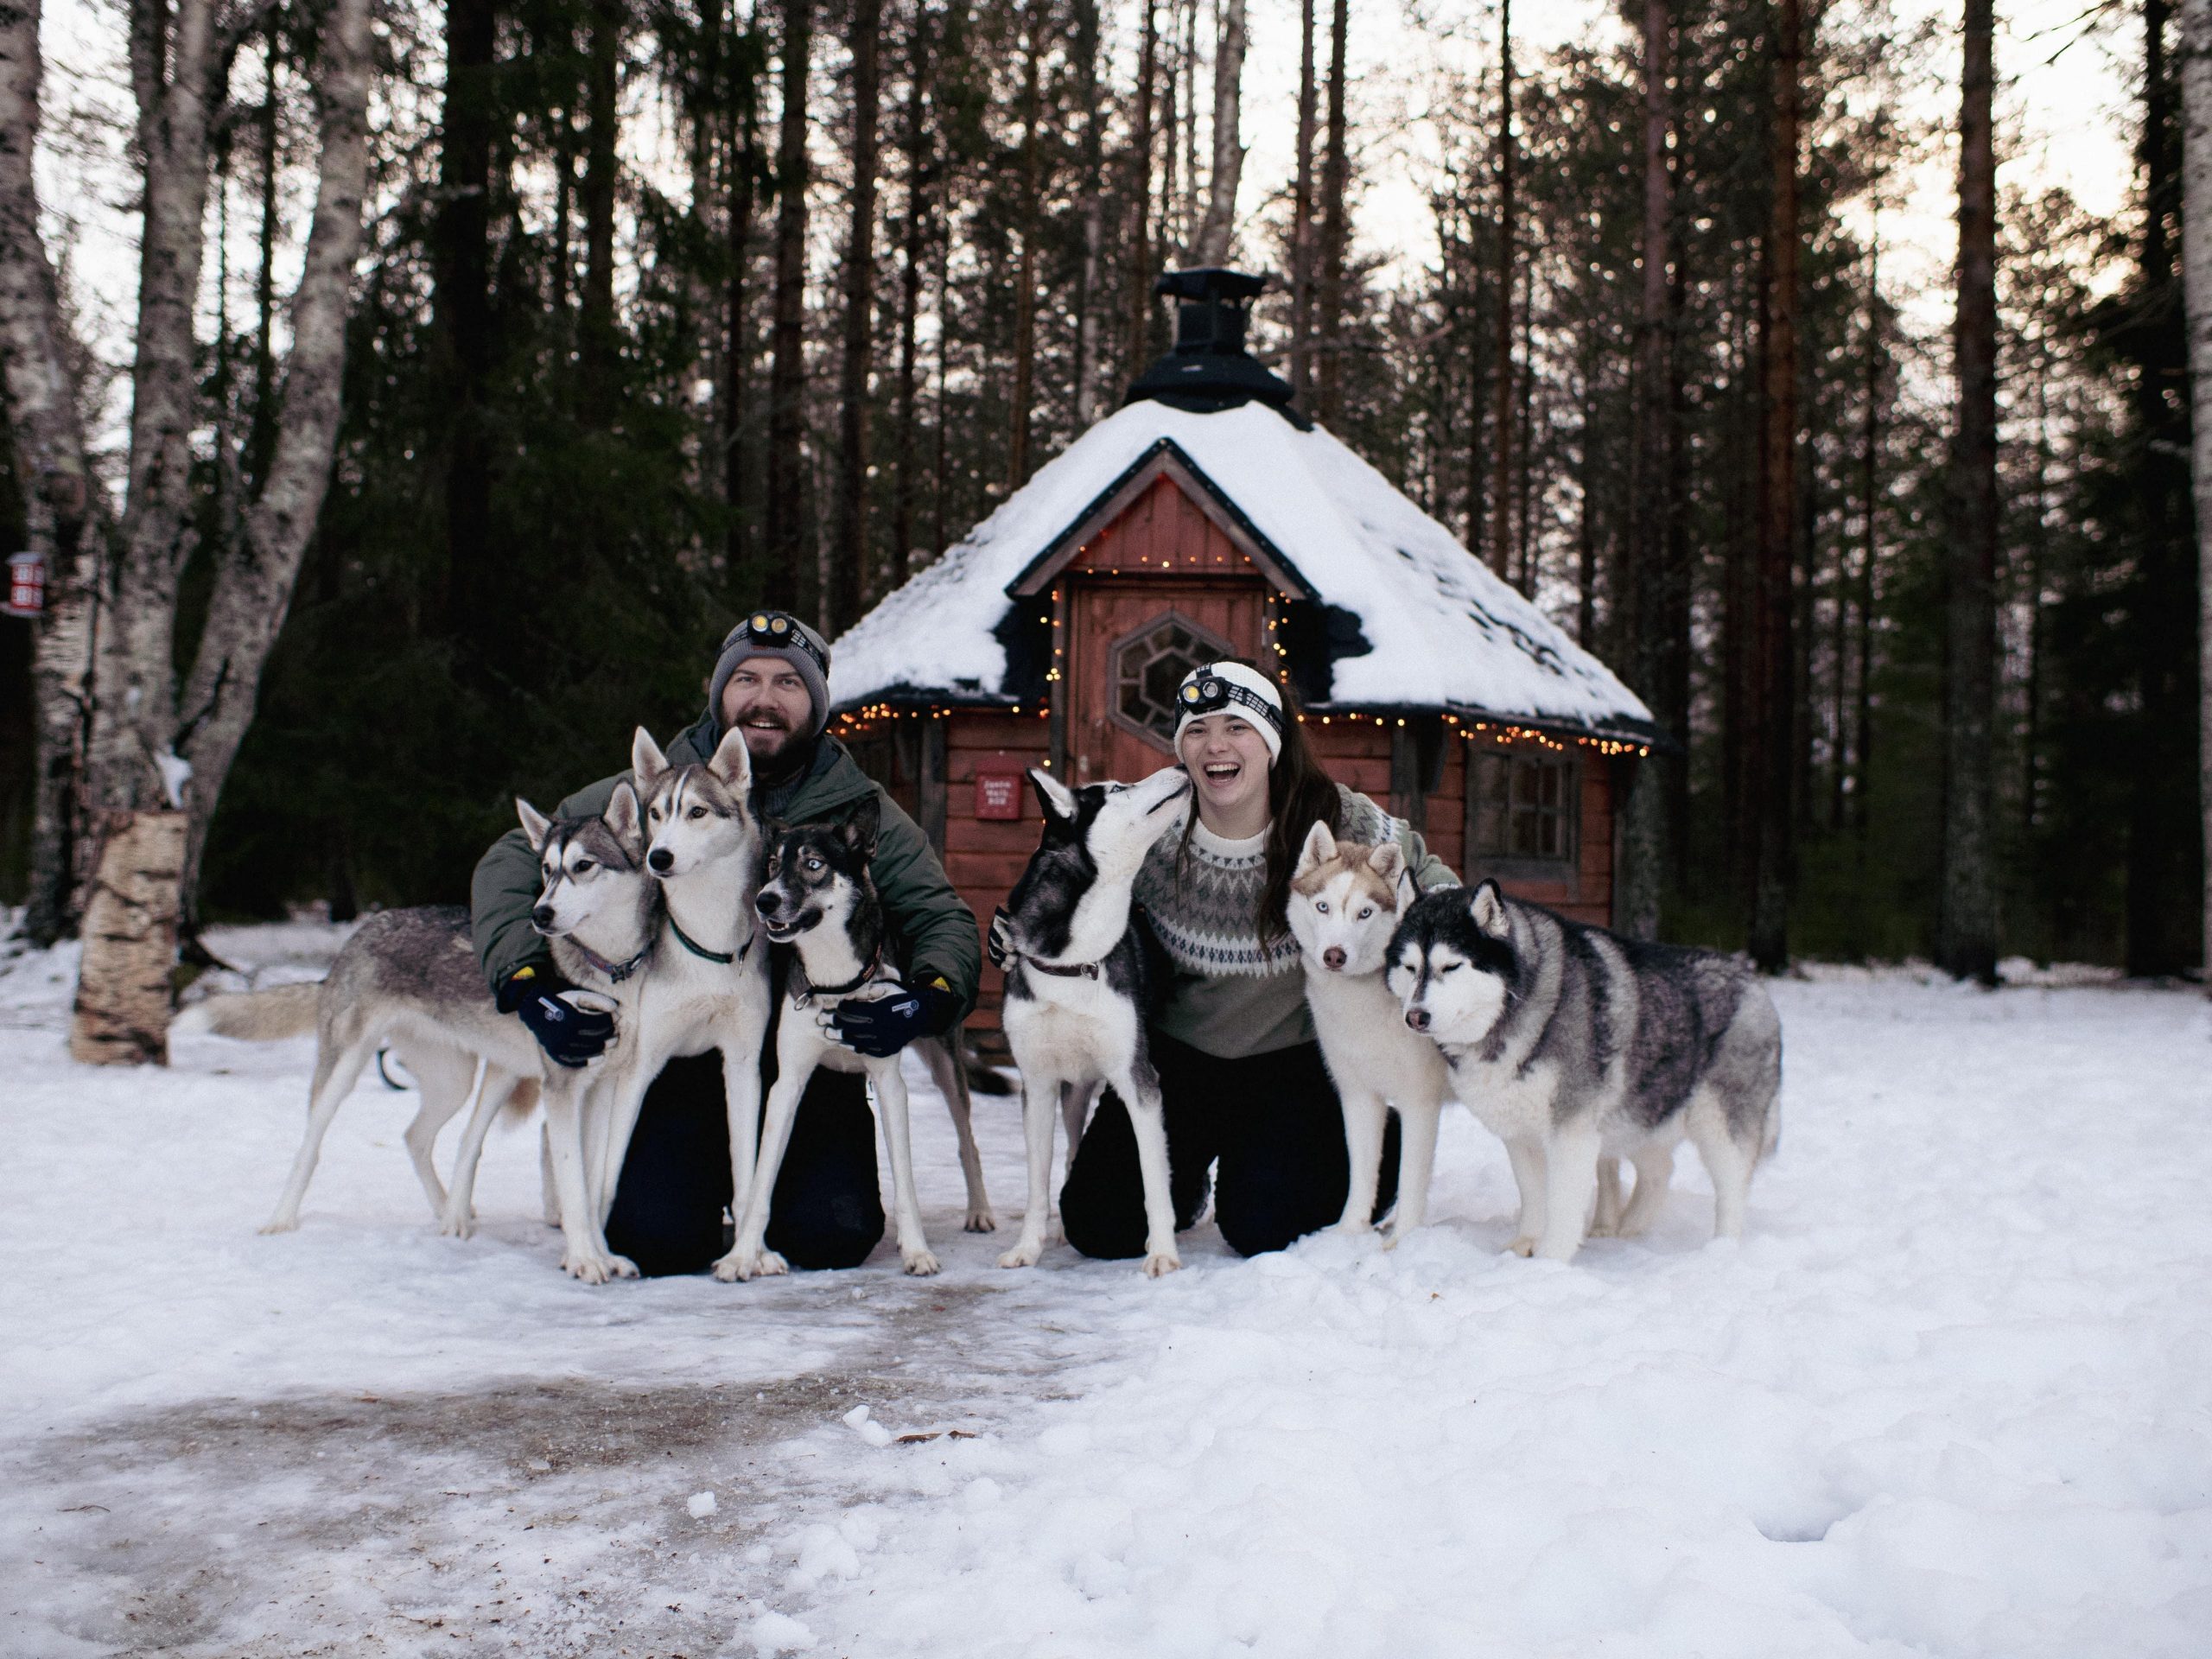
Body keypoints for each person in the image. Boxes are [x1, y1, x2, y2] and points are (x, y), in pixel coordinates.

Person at [471, 611, 981, 1274]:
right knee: (652, 1241)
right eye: (746, 678)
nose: (764, 698)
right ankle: (685, 1185)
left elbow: (940, 914)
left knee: (833, 1237)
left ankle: (774, 1195)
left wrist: (928, 998)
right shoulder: (661, 786)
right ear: (720, 693)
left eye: (787, 683)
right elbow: (516, 858)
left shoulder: (857, 805)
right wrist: (525, 981)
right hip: (680, 1044)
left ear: (817, 704)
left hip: (804, 1052)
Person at [1055, 660, 1458, 1260]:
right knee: (1099, 1223)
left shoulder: (1339, 820)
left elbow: (1436, 888)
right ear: (1182, 751)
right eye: (1196, 731)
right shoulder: (1153, 836)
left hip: (1294, 1059)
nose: (1215, 744)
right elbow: (1077, 905)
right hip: (1179, 1058)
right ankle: (1184, 1183)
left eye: (1236, 727)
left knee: (1264, 1227)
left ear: (1270, 741)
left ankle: (1378, 1145)